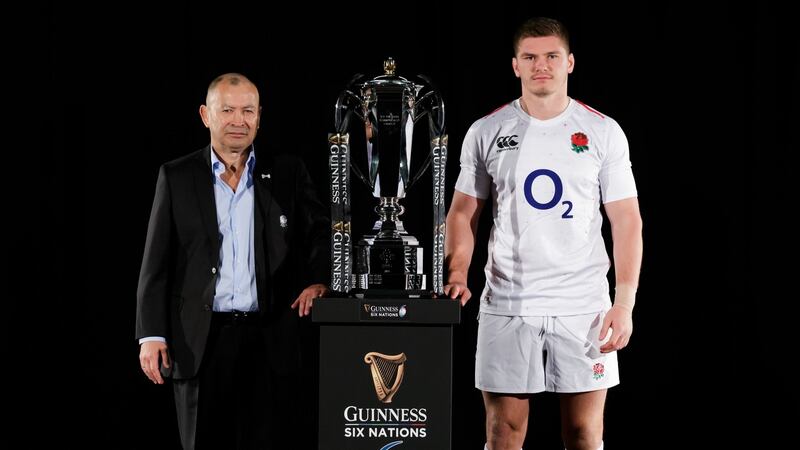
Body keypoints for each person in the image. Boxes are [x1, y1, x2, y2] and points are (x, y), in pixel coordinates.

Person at [443, 17, 643, 450]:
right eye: (530, 57)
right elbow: (462, 212)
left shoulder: (603, 131)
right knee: (503, 433)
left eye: (551, 56)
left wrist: (623, 302)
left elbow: (627, 220)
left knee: (584, 433)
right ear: (515, 65)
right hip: (509, 301)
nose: (541, 66)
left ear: (569, 63)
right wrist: (458, 272)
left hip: (583, 305)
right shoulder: (487, 131)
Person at [136, 73, 329, 449]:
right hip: (200, 342)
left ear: (260, 117)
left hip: (270, 338)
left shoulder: (287, 171)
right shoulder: (176, 176)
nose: (238, 120)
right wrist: (151, 334)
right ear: (206, 115)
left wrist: (320, 280)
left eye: (247, 111)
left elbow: (322, 233)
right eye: (228, 110)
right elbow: (155, 262)